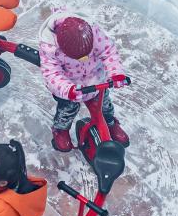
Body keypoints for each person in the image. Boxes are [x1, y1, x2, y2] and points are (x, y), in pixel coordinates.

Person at [38, 11, 130, 151]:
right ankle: (61, 130)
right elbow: (52, 74)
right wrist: (68, 90)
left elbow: (108, 51)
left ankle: (110, 121)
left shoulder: (93, 32)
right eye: (80, 56)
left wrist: (116, 73)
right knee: (68, 108)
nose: (86, 58)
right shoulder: (50, 48)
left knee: (104, 104)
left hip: (96, 79)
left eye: (88, 53)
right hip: (70, 84)